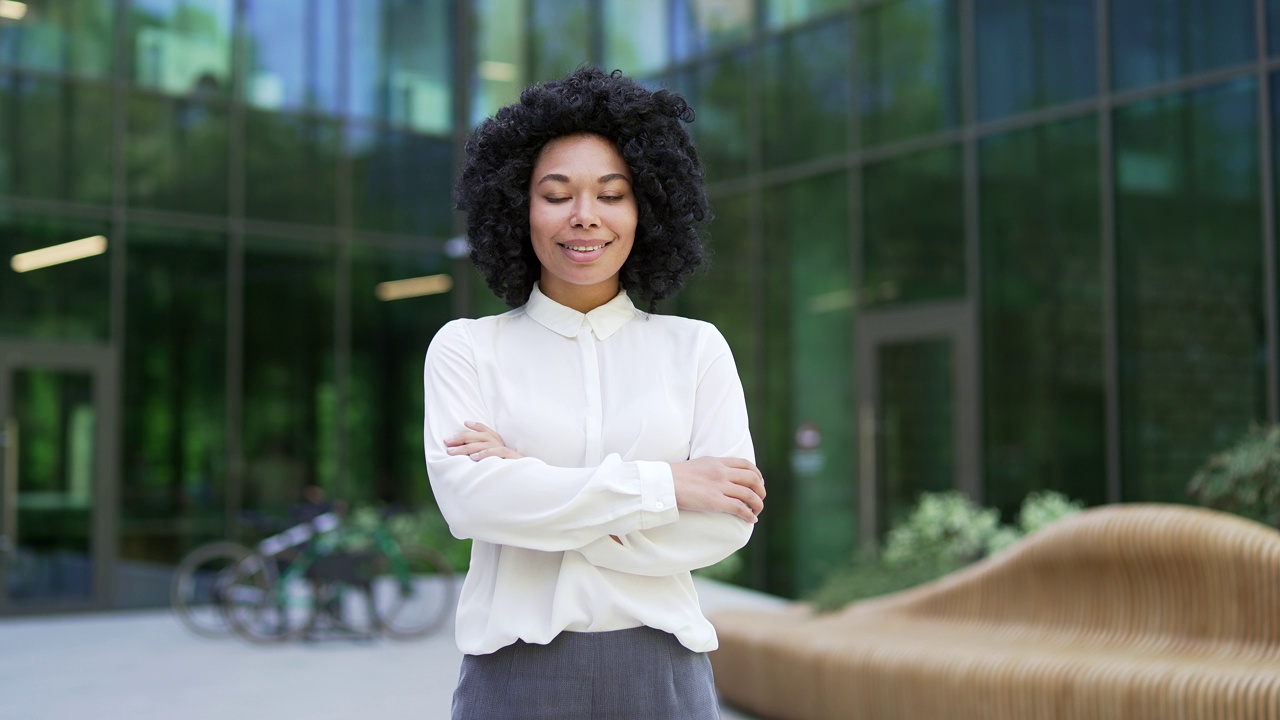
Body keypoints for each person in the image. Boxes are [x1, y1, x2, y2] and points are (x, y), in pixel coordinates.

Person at [423, 66, 766, 720]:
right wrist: (666, 486)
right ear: (518, 206)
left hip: (663, 675)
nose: (584, 217)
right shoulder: (467, 348)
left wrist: (532, 486)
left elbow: (724, 519)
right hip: (513, 680)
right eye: (557, 194)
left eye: (612, 194)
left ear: (647, 208)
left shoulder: (695, 349)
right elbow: (471, 506)